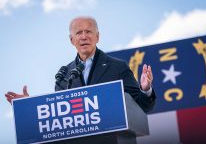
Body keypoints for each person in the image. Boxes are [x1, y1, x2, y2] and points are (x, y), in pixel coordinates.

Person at [5, 16, 156, 112]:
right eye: (78, 33)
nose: (84, 36)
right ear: (72, 40)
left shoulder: (118, 67)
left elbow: (143, 106)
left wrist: (146, 89)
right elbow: (58, 112)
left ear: (97, 36)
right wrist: (27, 107)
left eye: (88, 31)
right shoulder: (63, 75)